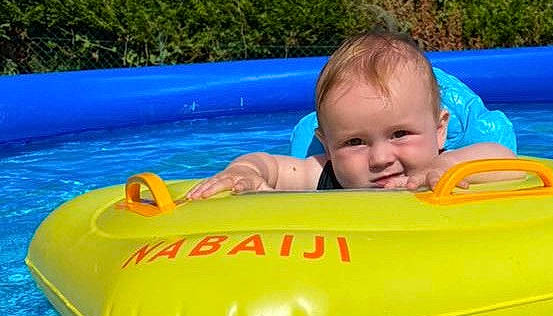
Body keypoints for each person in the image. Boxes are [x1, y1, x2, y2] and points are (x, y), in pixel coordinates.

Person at [186, 31, 518, 199]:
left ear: (440, 130)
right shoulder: (325, 175)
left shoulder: (449, 164)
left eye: (400, 134)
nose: (379, 158)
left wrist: (445, 169)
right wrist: (242, 174)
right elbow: (265, 164)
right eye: (354, 141)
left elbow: (506, 162)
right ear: (327, 145)